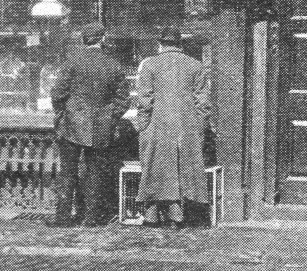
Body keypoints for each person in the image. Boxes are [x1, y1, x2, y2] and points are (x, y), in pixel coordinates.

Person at [49, 22, 127, 227]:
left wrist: (62, 114)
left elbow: (57, 94)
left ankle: (63, 218)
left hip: (71, 125)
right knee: (95, 172)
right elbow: (123, 100)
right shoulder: (113, 65)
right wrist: (111, 117)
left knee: (67, 172)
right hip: (101, 126)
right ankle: (91, 218)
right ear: (102, 39)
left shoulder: (71, 62)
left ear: (83, 40)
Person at [134, 27, 211, 229]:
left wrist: (142, 126)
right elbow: (202, 104)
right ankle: (176, 215)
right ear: (180, 44)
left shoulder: (150, 65)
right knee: (181, 169)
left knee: (154, 168)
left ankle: (152, 215)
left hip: (157, 125)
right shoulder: (195, 65)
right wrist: (200, 129)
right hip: (186, 127)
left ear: (160, 44)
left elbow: (144, 101)